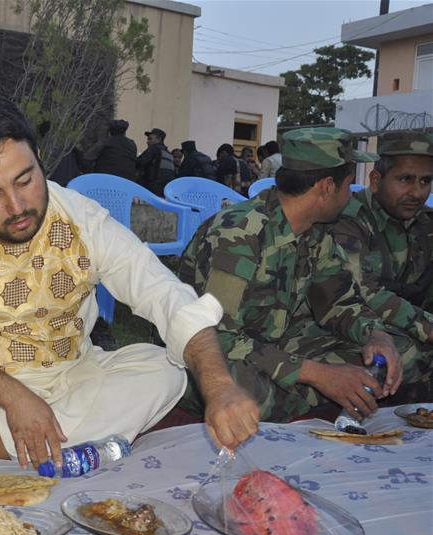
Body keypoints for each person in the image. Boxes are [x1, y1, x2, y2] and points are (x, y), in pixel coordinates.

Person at [0, 92, 258, 472]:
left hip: (71, 377)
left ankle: (3, 446)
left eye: (25, 180)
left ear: (39, 158)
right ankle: (53, 437)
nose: (17, 207)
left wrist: (219, 386)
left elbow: (161, 291)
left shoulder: (83, 218)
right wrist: (13, 397)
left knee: (166, 372)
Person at [178, 127, 405, 423]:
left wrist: (376, 335)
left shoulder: (316, 231)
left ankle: (315, 394)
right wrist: (319, 375)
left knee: (393, 355)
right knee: (248, 394)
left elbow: (339, 302)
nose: (351, 196)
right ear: (327, 187)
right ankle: (315, 397)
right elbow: (218, 337)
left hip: (272, 346)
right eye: (349, 185)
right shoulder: (239, 234)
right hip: (203, 353)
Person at [329, 130, 433, 399]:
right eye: (405, 179)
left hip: (406, 325)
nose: (417, 192)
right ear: (375, 180)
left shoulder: (426, 222)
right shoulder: (349, 220)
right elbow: (362, 292)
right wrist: (427, 327)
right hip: (352, 325)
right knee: (403, 357)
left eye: (425, 181)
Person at [136, 127, 176, 196]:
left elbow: (140, 162)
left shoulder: (154, 148)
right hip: (165, 190)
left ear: (158, 139)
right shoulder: (169, 154)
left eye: (150, 139)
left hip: (151, 188)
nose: (147, 142)